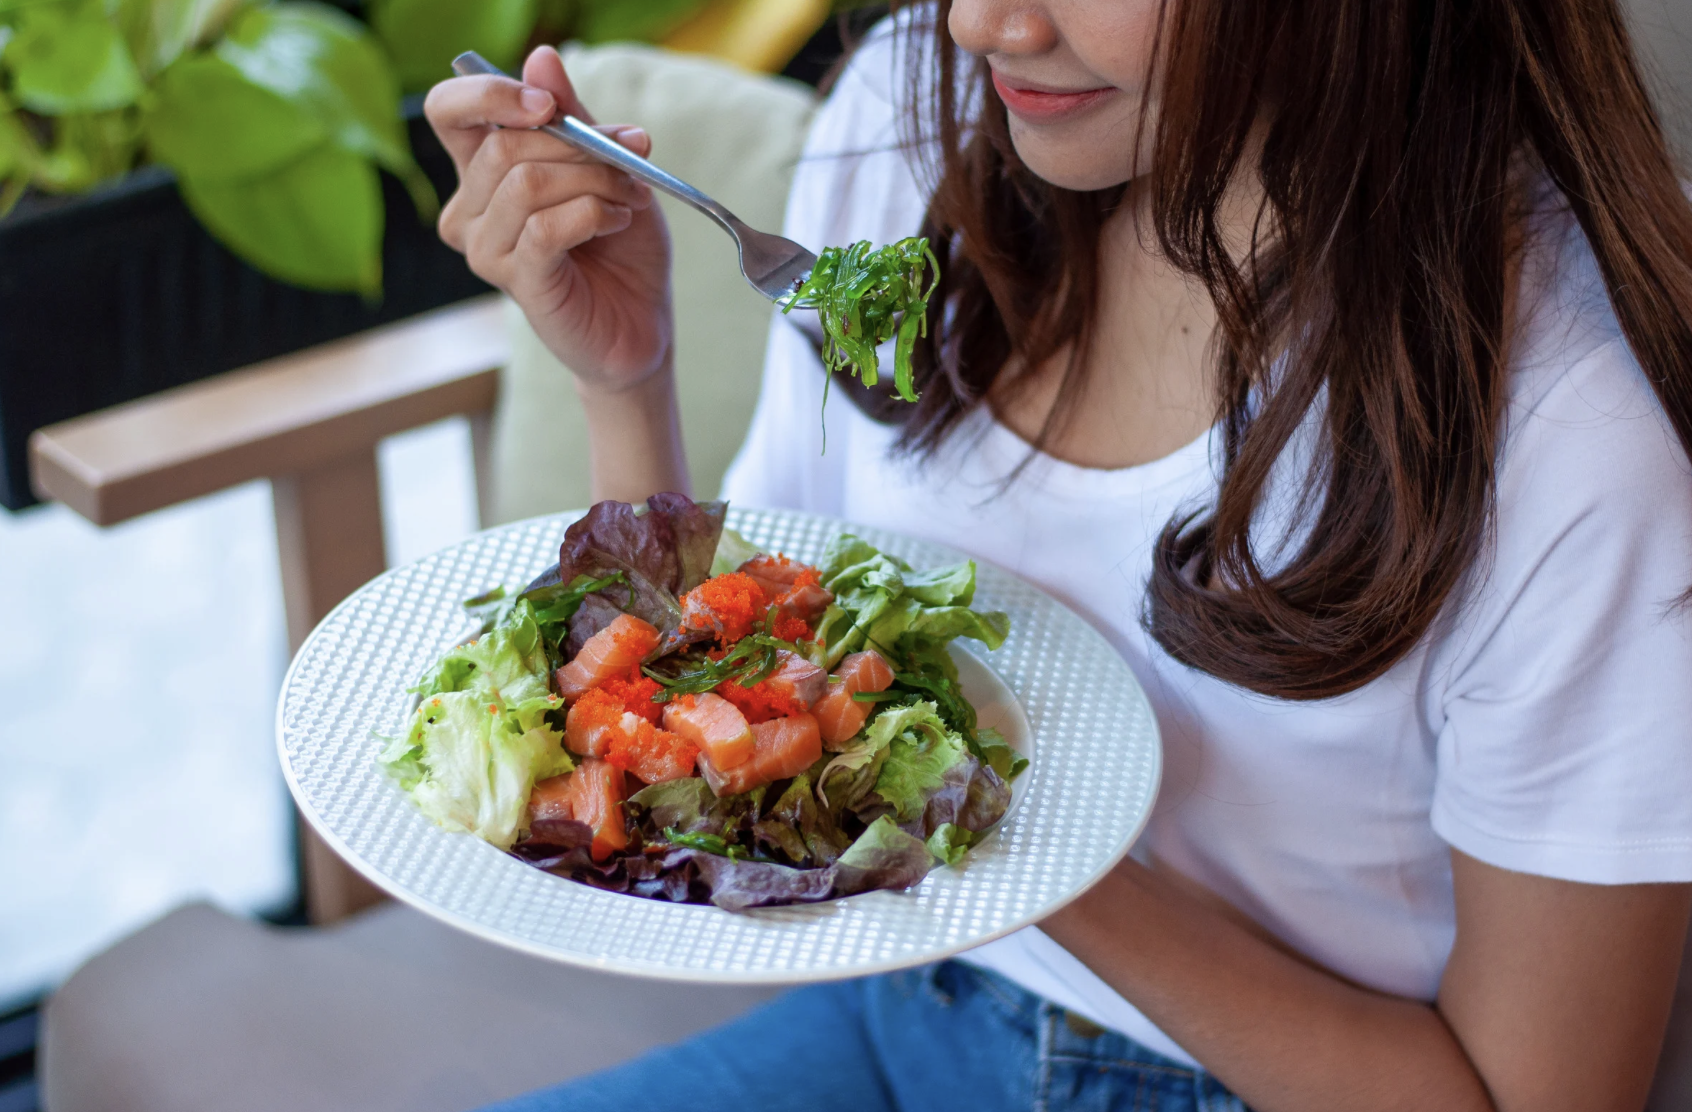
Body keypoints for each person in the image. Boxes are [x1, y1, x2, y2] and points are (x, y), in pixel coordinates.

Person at [422, 1, 1692, 1108]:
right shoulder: (907, 122)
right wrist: (624, 382)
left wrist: (1000, 826)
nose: (983, 22)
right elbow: (731, 650)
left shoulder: (1571, 437)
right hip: (904, 1003)